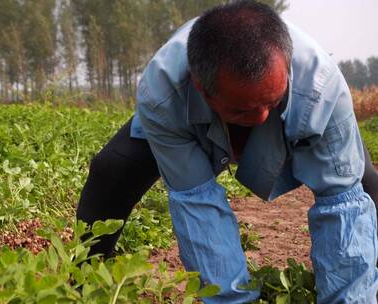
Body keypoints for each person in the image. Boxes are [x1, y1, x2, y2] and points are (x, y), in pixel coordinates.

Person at [76, 1, 378, 303]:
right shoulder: (164, 92)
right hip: (186, 111)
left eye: (270, 104)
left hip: (304, 107)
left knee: (365, 190)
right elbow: (198, 206)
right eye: (243, 110)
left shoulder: (320, 87)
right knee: (111, 171)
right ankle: (81, 285)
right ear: (201, 88)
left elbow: (343, 208)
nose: (260, 118)